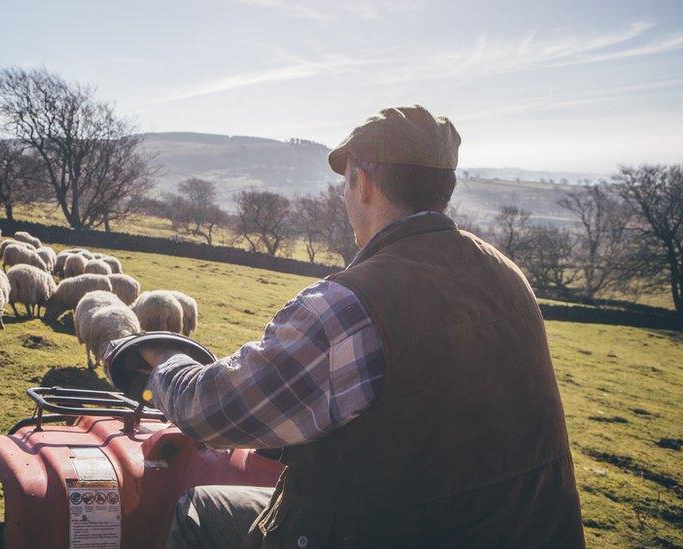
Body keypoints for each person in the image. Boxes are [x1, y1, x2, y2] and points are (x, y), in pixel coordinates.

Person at [129, 105, 585, 548]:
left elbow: (213, 410)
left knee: (200, 512)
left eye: (346, 184)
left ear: (362, 184)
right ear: (443, 189)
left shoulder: (349, 307)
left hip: (388, 533)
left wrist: (165, 361)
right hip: (515, 531)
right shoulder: (506, 275)